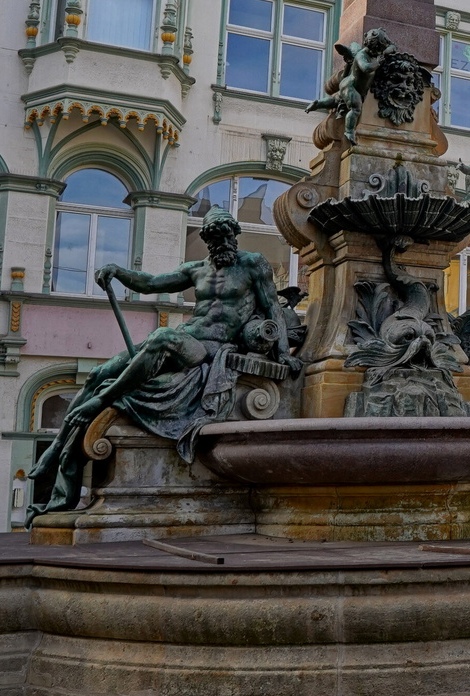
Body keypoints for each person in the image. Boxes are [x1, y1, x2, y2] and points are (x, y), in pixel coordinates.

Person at [26, 208, 285, 523]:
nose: (223, 240)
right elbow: (150, 283)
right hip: (184, 338)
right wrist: (118, 272)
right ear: (206, 239)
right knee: (98, 373)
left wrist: (283, 352)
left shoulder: (253, 264)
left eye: (227, 234)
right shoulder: (196, 270)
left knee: (160, 338)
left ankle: (103, 399)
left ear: (235, 233)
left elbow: (272, 305)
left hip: (208, 349)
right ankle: (56, 451)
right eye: (215, 235)